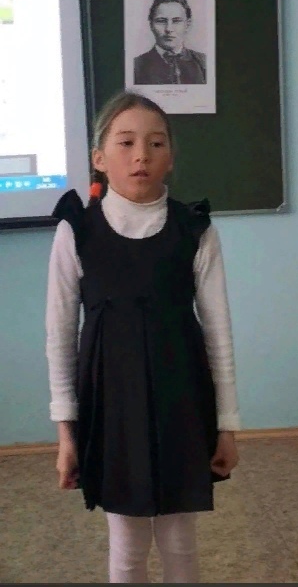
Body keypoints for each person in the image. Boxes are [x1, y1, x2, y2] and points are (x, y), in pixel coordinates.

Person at [46, 90, 240, 583]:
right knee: (127, 546)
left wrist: (227, 425)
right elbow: (60, 336)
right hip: (111, 407)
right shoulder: (76, 231)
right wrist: (67, 433)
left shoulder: (194, 230)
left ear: (170, 157)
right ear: (99, 157)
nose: (141, 156)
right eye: (126, 142)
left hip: (182, 404)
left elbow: (218, 333)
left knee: (179, 543)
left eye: (156, 144)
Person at [133, 0, 207, 86]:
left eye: (176, 21)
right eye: (161, 21)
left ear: (187, 24)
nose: (169, 29)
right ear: (151, 24)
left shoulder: (204, 63)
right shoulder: (136, 66)